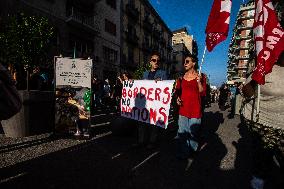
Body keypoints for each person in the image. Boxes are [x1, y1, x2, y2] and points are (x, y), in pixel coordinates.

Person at [136, 51, 168, 149]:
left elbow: (167, 86)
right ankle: (141, 141)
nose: (156, 62)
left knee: (154, 124)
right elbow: (141, 86)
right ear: (150, 62)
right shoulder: (145, 73)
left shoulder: (163, 73)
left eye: (158, 60)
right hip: (145, 104)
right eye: (154, 60)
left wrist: (161, 82)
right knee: (142, 122)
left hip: (155, 104)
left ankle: (152, 142)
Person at [175, 53, 203, 160]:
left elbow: (202, 92)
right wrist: (177, 98)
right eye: (184, 62)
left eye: (187, 61)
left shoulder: (201, 76)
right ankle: (184, 152)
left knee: (193, 133)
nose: (185, 64)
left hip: (195, 110)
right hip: (183, 110)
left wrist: (199, 82)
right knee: (182, 132)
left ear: (193, 63)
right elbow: (178, 92)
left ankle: (193, 150)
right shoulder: (181, 78)